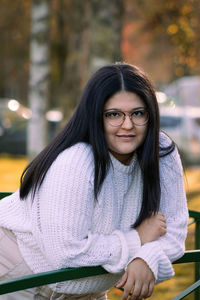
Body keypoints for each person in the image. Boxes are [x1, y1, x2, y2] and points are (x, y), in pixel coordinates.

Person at [0, 63, 188, 300]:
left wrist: (146, 258)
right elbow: (66, 254)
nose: (127, 125)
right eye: (114, 115)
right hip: (19, 268)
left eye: (137, 113)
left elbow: (175, 230)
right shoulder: (77, 160)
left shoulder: (162, 153)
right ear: (95, 116)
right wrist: (137, 239)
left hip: (87, 287)